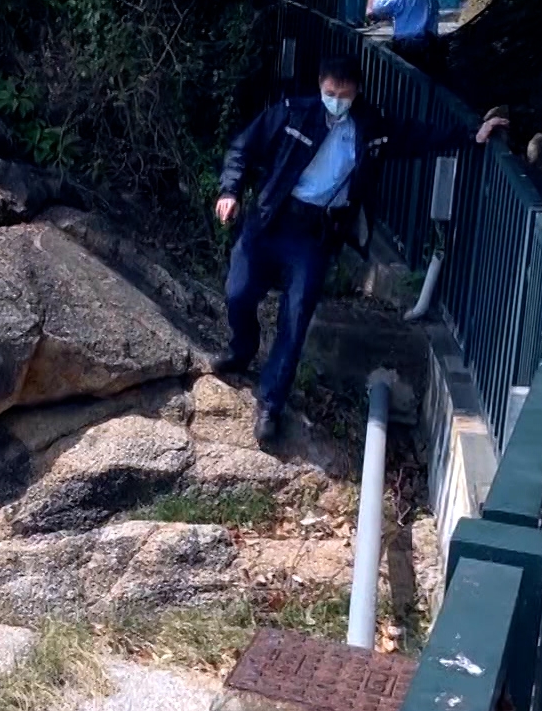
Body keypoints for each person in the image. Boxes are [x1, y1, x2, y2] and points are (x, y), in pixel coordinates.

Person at [216, 55, 508, 443]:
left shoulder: (370, 127)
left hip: (315, 232)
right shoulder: (292, 114)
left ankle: (271, 403)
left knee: (296, 315)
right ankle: (242, 348)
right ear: (320, 84)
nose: (336, 100)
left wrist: (472, 134)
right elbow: (242, 148)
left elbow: (417, 136)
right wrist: (230, 190)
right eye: (330, 92)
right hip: (271, 219)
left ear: (356, 93)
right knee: (238, 294)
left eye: (344, 94)